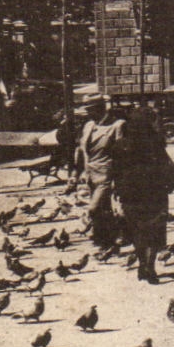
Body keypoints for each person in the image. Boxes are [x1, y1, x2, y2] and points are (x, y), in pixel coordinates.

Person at [112, 108, 174, 284]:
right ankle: (150, 267)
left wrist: (117, 190)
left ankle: (142, 264)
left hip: (130, 193)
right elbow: (167, 165)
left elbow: (115, 170)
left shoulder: (120, 144)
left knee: (137, 231)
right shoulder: (156, 142)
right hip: (155, 191)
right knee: (154, 230)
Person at [73, 96, 123, 255]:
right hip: (90, 175)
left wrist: (118, 178)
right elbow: (82, 151)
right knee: (104, 210)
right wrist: (76, 173)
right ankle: (108, 243)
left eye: (90, 110)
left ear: (100, 109)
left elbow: (121, 154)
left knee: (93, 209)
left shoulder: (117, 125)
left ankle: (115, 237)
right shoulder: (89, 126)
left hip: (107, 175)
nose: (88, 113)